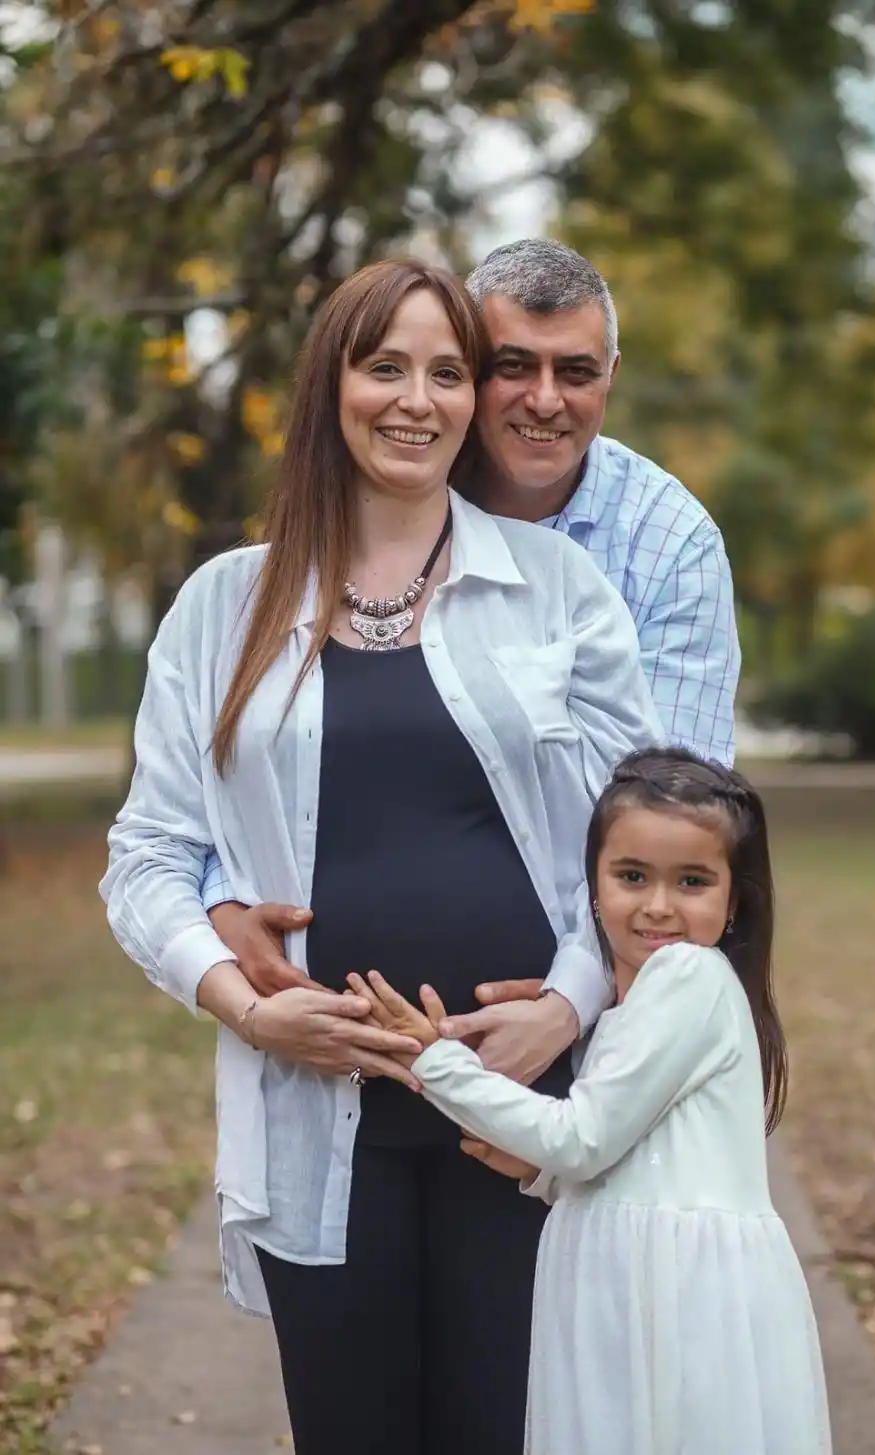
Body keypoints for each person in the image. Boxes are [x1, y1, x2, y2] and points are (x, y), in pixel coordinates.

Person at [100, 257, 664, 1455]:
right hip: (320, 1111)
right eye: (385, 366)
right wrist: (249, 1011)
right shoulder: (222, 606)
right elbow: (147, 855)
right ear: (331, 386)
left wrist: (567, 1007)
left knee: (497, 1430)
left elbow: (644, 848)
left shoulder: (557, 591)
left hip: (518, 1111)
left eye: (448, 372)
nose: (417, 399)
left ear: (470, 403)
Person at [198, 237, 741, 1084]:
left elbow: (682, 827)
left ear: (613, 376)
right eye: (511, 366)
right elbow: (233, 796)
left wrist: (572, 1005)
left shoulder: (665, 544)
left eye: (578, 372)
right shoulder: (340, 525)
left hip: (592, 1037)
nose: (545, 400)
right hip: (335, 1066)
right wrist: (218, 906)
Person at [350, 747, 833, 1455]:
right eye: (632, 875)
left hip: (677, 1294)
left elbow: (581, 1136)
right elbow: (635, 1149)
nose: (658, 904)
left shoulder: (688, 977)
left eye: (692, 881)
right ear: (595, 887)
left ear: (734, 900)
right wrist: (539, 1173)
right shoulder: (633, 1005)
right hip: (630, 1282)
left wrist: (436, 1058)